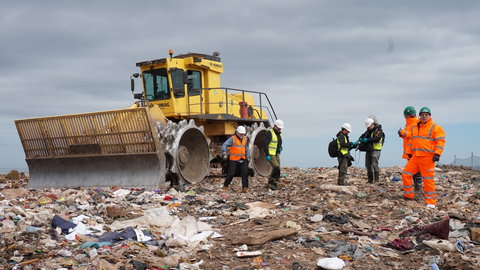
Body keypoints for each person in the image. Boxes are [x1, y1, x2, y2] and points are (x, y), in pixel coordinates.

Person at [401, 107, 445, 208]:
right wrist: (409, 153)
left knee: (428, 180)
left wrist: (437, 153)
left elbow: (440, 141)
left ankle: (431, 202)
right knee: (406, 174)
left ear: (430, 116)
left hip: (427, 158)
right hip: (415, 157)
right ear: (419, 116)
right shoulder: (415, 127)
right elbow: (411, 141)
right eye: (422, 114)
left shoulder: (435, 127)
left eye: (426, 114)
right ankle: (408, 195)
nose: (424, 116)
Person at [398, 106, 422, 192]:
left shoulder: (417, 123)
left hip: (415, 150)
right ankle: (417, 188)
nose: (404, 117)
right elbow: (408, 137)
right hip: (410, 150)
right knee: (413, 171)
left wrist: (403, 132)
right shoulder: (408, 124)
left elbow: (414, 135)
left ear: (409, 115)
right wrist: (401, 134)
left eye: (405, 116)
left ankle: (418, 188)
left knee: (416, 170)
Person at [222, 126, 249, 193]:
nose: (242, 135)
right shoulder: (232, 139)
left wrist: (248, 156)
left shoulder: (245, 139)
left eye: (243, 134)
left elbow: (247, 148)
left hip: (243, 159)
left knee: (245, 174)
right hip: (234, 159)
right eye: (241, 134)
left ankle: (245, 187)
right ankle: (226, 185)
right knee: (231, 173)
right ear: (237, 132)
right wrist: (224, 152)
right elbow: (224, 145)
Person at [359, 117, 385, 183]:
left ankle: (376, 180)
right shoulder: (368, 131)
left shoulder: (378, 130)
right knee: (367, 164)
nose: (368, 128)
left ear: (372, 124)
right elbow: (362, 136)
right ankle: (370, 180)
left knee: (374, 164)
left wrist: (367, 139)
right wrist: (361, 139)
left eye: (368, 126)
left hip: (376, 149)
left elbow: (377, 139)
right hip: (369, 149)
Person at [264, 119, 284, 190]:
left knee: (277, 169)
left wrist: (280, 147)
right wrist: (267, 155)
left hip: (276, 153)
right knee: (276, 168)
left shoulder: (279, 134)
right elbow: (265, 144)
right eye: (279, 128)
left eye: (280, 128)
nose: (280, 129)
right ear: (275, 126)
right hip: (271, 153)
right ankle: (271, 183)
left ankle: (274, 184)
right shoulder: (269, 133)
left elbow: (279, 142)